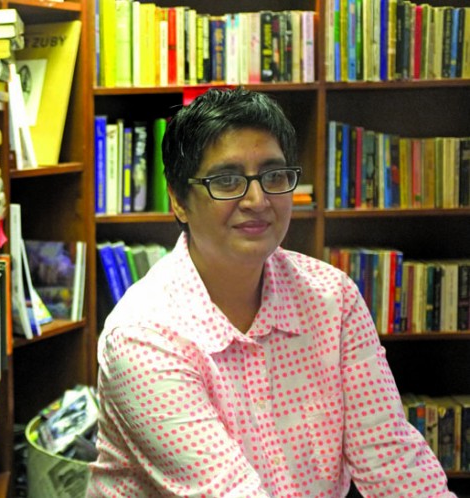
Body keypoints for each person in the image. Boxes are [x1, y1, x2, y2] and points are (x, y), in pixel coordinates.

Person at [86, 88, 454, 497]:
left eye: (274, 176)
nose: (257, 200)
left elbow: (392, 461)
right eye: (227, 180)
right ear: (179, 200)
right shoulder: (143, 335)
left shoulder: (333, 299)